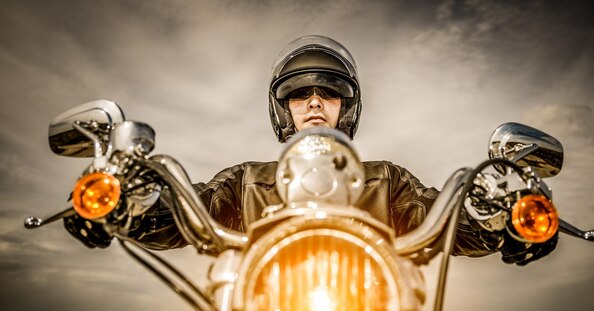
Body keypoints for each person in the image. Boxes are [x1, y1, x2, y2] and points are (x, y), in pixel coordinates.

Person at [64, 35, 556, 265]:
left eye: (328, 92)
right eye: (300, 93)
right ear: (285, 108)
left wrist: (499, 216)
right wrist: (132, 204)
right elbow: (195, 208)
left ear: (347, 106)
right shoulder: (244, 181)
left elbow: (437, 216)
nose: (315, 101)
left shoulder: (388, 181)